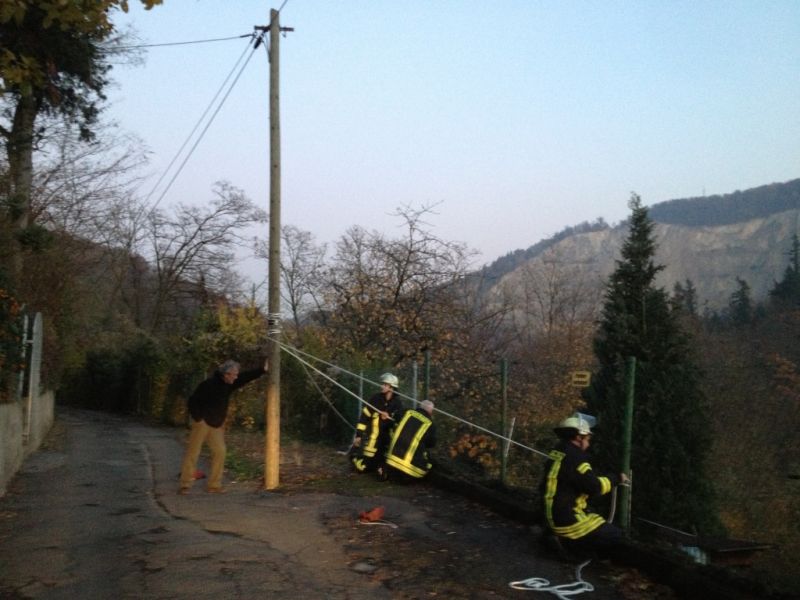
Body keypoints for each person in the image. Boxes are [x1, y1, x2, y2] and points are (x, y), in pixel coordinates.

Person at [540, 412, 629, 557]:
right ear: (578, 437)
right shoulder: (577, 459)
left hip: (549, 515)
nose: (588, 443)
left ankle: (555, 537)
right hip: (567, 519)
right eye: (587, 439)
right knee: (615, 536)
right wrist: (616, 479)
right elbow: (594, 487)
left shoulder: (557, 452)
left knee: (596, 520)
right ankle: (567, 546)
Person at [179, 358, 268, 494]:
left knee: (220, 452)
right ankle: (185, 484)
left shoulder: (228, 385)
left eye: (236, 374)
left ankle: (214, 485)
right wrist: (198, 418)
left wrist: (262, 370)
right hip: (202, 423)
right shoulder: (207, 384)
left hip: (216, 425)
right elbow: (192, 401)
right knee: (193, 452)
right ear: (226, 374)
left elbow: (245, 377)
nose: (236, 377)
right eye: (234, 374)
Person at [350, 372, 403, 475]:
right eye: (382, 384)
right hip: (371, 439)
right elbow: (364, 417)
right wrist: (359, 435)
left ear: (392, 387)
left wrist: (389, 416)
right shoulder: (376, 398)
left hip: (386, 440)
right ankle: (354, 457)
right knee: (363, 468)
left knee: (380, 468)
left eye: (385, 384)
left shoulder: (397, 403)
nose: (382, 386)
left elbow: (398, 421)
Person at [384, 399, 436, 481]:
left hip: (391, 463)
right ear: (430, 412)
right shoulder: (430, 424)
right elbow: (431, 444)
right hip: (410, 473)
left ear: (419, 407)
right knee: (428, 456)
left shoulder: (406, 412)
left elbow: (394, 418)